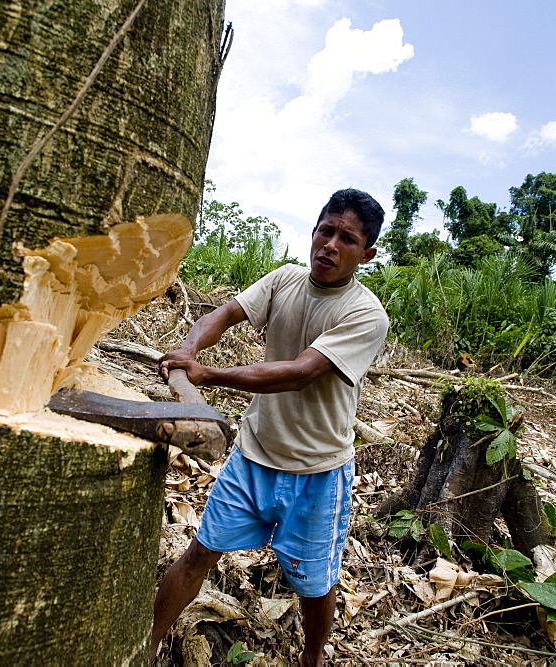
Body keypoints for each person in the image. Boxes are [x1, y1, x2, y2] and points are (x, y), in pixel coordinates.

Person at [151, 188, 390, 665]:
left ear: (367, 254)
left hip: (318, 472)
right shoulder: (284, 279)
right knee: (200, 554)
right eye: (326, 231)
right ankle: (145, 644)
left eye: (347, 239)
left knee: (315, 585)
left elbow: (300, 372)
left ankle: (311, 659)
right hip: (254, 457)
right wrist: (188, 351)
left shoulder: (365, 314)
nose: (330, 245)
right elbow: (225, 314)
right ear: (315, 230)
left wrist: (208, 375)